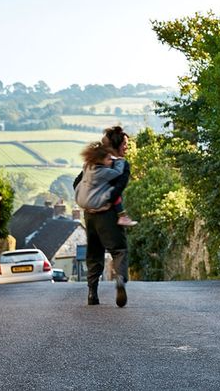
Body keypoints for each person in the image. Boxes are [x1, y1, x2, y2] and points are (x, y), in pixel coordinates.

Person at [73, 126, 132, 307]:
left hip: (89, 216)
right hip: (108, 214)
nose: (127, 148)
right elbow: (118, 188)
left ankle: (92, 292)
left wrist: (88, 201)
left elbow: (77, 182)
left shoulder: (94, 161)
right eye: (125, 144)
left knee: (94, 252)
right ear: (118, 145)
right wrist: (105, 202)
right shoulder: (121, 164)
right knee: (119, 249)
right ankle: (120, 280)